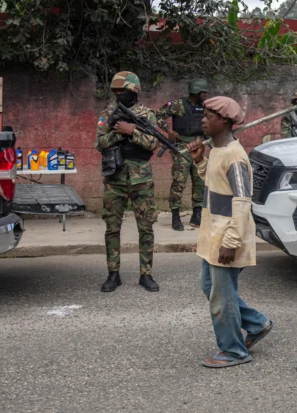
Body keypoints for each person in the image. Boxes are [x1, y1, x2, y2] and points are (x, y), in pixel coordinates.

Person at [186, 96, 273, 368]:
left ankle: (234, 351)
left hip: (227, 238)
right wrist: (200, 161)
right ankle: (257, 324)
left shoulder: (235, 156)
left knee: (222, 297)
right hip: (214, 235)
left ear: (224, 121)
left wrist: (231, 241)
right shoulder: (217, 151)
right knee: (210, 287)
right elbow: (215, 186)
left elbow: (242, 200)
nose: (203, 119)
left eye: (209, 115)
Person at [95, 71, 161, 293]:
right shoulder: (107, 114)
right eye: (115, 91)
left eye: (122, 90)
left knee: (146, 227)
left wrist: (132, 132)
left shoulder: (147, 115)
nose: (118, 94)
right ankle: (113, 274)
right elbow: (100, 143)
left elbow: (154, 143)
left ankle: (146, 274)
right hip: (115, 178)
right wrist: (117, 133)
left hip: (142, 178)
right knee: (112, 227)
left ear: (134, 91)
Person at [156, 79, 209, 231]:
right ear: (197, 93)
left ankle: (196, 215)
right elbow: (157, 116)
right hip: (182, 148)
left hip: (199, 146)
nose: (206, 95)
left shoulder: (205, 106)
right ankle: (175, 216)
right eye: (203, 92)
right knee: (179, 182)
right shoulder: (177, 104)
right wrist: (169, 131)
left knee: (200, 182)